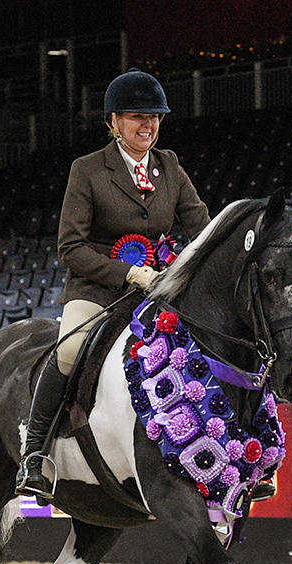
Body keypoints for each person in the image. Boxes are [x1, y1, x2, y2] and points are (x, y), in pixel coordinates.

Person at [18, 69, 210, 500]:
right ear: (114, 121)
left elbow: (202, 227)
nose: (148, 125)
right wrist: (127, 272)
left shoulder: (170, 166)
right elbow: (71, 247)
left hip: (158, 291)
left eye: (155, 116)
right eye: (138, 116)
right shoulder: (87, 170)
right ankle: (36, 452)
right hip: (98, 290)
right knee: (68, 350)